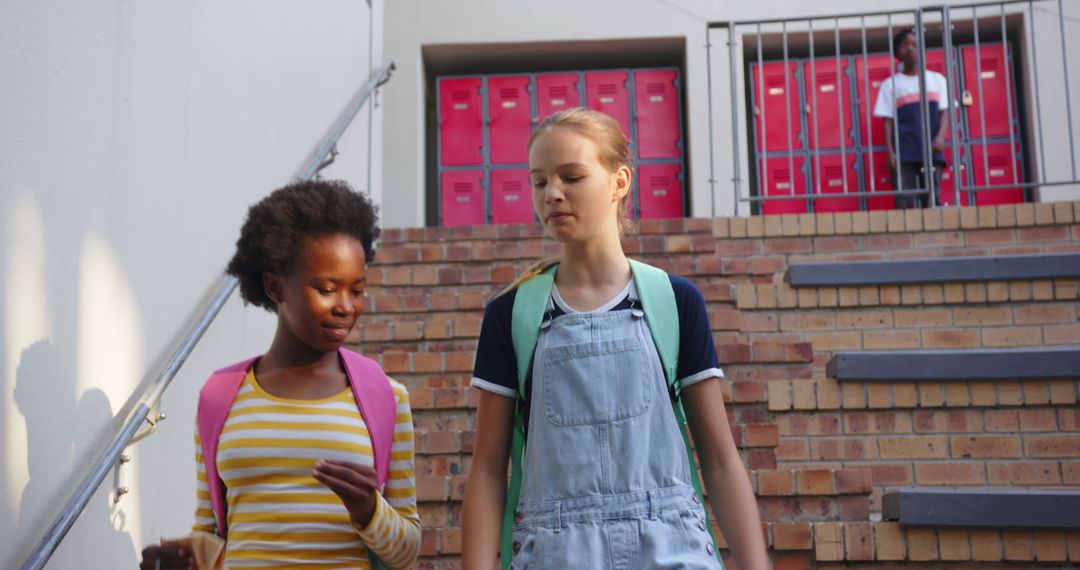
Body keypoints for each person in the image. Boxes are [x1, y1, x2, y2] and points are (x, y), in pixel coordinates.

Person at [461, 107, 768, 570]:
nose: (553, 194)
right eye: (539, 182)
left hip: (671, 549)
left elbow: (721, 461)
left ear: (619, 181)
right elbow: (486, 471)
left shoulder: (675, 301)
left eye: (572, 176)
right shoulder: (511, 315)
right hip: (556, 555)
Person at [140, 180, 420, 569]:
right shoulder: (220, 396)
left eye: (357, 289)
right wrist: (185, 561)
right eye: (326, 288)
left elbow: (407, 554)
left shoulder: (386, 397)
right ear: (274, 286)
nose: (346, 306)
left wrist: (370, 510)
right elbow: (210, 536)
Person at [873, 27, 952, 209]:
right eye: (904, 46)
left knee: (932, 200)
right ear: (897, 54)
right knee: (903, 202)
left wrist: (940, 138)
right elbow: (888, 120)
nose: (910, 49)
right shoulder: (890, 84)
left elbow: (945, 111)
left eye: (915, 45)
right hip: (904, 152)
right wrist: (890, 152)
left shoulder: (937, 79)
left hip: (931, 150)